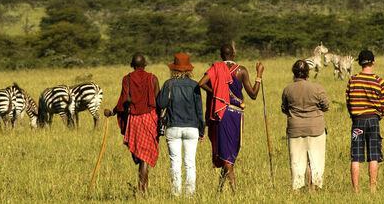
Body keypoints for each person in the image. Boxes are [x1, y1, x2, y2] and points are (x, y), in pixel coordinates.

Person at [198, 44, 264, 193]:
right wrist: (259, 75)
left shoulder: (215, 68)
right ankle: (235, 191)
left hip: (220, 113)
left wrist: (216, 93)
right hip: (235, 114)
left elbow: (201, 83)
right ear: (233, 54)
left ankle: (219, 189)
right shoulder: (241, 70)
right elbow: (253, 95)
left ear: (221, 55)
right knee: (230, 150)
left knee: (227, 150)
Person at [104, 53, 160, 196]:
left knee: (142, 157)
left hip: (134, 120)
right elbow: (159, 102)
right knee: (145, 157)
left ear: (132, 65)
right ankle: (144, 190)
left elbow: (123, 101)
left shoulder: (127, 79)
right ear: (145, 64)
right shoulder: (153, 78)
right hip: (149, 119)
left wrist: (112, 112)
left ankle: (142, 190)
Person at [156, 53, 205, 196]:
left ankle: (175, 193)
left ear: (174, 69)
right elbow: (199, 110)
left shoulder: (168, 84)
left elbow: (161, 103)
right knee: (190, 163)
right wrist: (202, 130)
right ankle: (190, 194)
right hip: (192, 128)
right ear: (189, 69)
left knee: (175, 163)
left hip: (173, 127)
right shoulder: (195, 85)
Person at [281, 60, 330, 193]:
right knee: (316, 161)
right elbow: (326, 106)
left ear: (294, 72)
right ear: (308, 72)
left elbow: (284, 108)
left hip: (295, 129)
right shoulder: (317, 88)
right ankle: (313, 189)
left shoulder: (288, 89)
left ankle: (296, 190)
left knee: (296, 161)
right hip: (316, 129)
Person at [345, 50, 384, 193]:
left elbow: (348, 101)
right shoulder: (379, 80)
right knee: (373, 154)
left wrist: (354, 115)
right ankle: (372, 188)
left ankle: (356, 190)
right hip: (374, 120)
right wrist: (378, 115)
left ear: (359, 63)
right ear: (373, 62)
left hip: (357, 121)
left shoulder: (353, 79)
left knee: (356, 156)